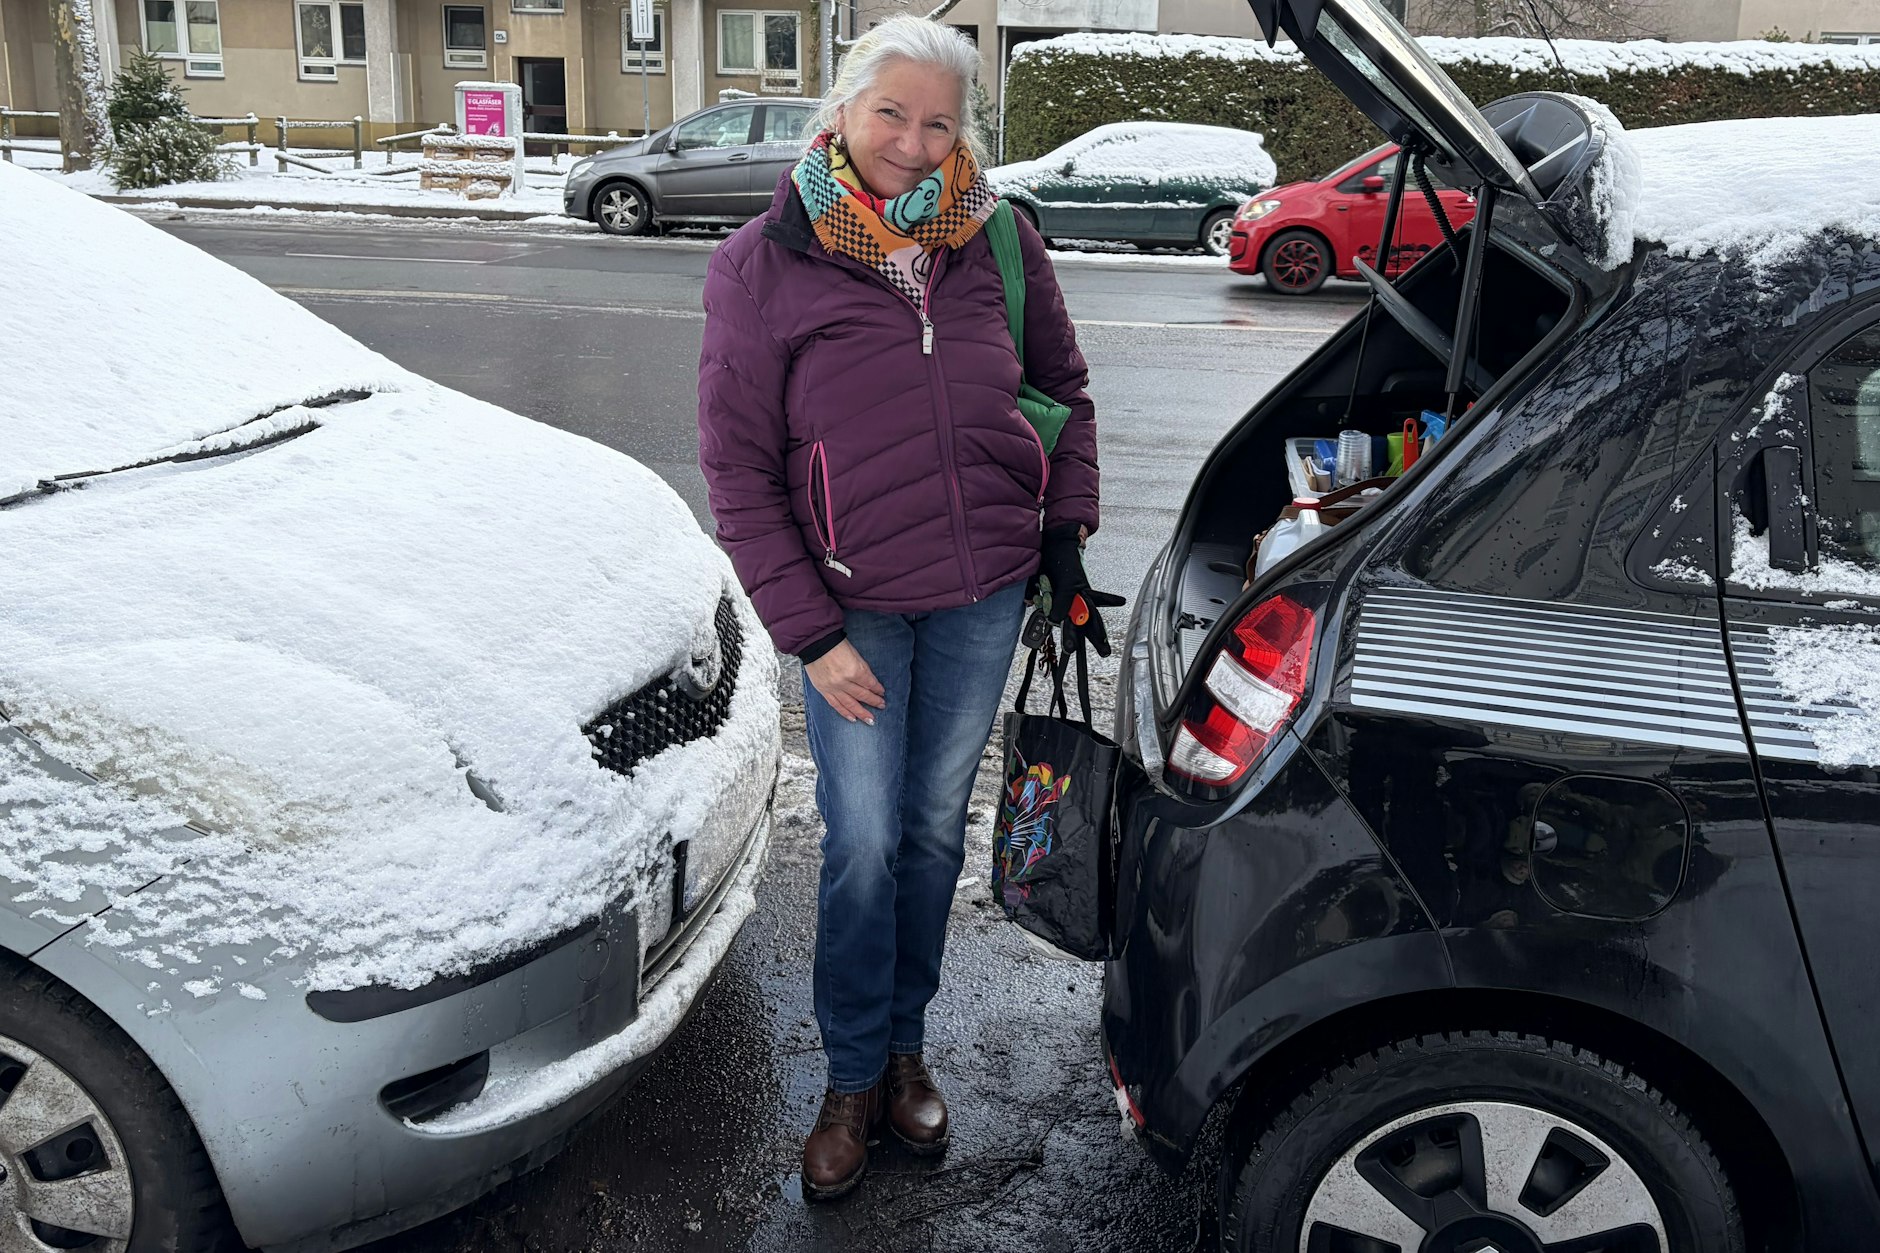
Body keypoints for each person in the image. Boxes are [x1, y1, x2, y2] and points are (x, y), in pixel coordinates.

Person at [696, 14, 1108, 1202]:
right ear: (840, 109)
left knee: (930, 831)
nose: (913, 144)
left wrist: (1065, 536)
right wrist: (811, 636)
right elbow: (738, 469)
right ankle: (846, 1077)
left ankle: (903, 1051)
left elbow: (1062, 390)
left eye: (937, 123)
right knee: (864, 841)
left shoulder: (1000, 237)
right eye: (890, 114)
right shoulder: (763, 262)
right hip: (853, 610)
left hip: (983, 593)